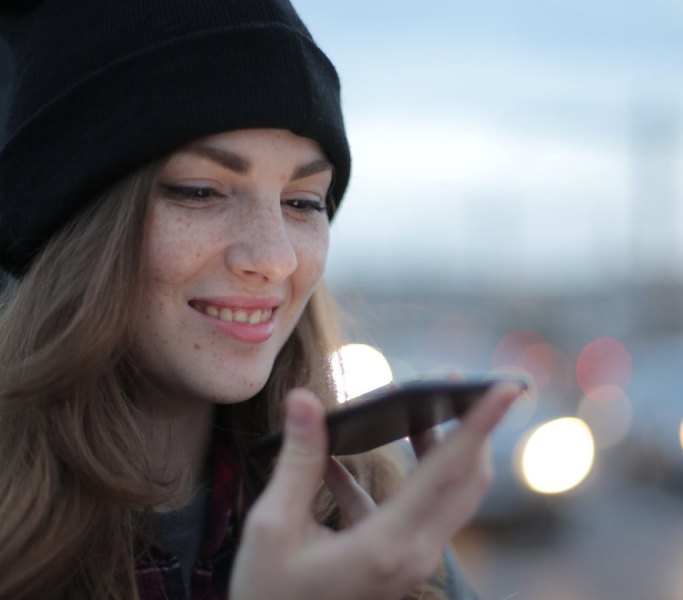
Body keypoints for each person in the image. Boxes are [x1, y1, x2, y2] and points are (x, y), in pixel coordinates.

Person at [0, 2, 523, 599]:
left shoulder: (365, 515)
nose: (275, 257)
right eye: (201, 191)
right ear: (72, 226)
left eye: (303, 202)